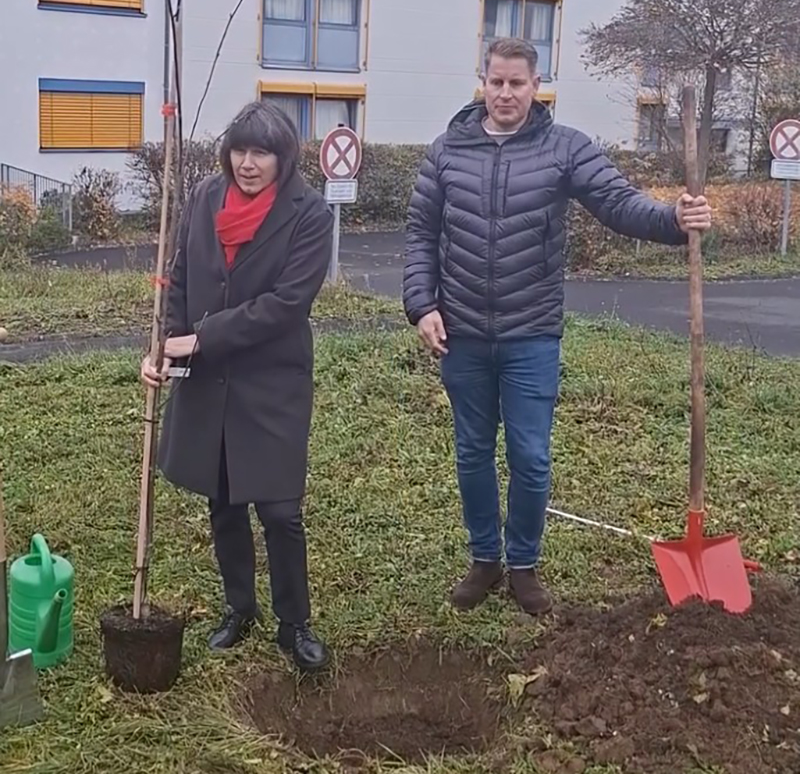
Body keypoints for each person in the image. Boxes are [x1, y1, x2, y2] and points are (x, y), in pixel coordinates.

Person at [403, 37, 712, 616]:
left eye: (516, 83)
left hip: (531, 336)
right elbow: (421, 234)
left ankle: (523, 564)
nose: (505, 93)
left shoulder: (564, 148)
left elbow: (619, 204)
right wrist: (422, 305)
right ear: (483, 81)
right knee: (472, 451)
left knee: (531, 456)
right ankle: (485, 559)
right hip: (461, 334)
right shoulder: (447, 151)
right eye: (496, 82)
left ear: (536, 86)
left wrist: (674, 218)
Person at [141, 101, 334, 671]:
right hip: (209, 380)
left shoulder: (309, 214)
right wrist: (165, 347)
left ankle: (294, 624)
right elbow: (179, 278)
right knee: (223, 500)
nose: (248, 164)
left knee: (279, 509)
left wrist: (201, 339)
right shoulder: (205, 197)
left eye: (261, 154)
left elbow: (287, 304)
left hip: (271, 380)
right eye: (239, 151)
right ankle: (239, 608)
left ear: (283, 158)